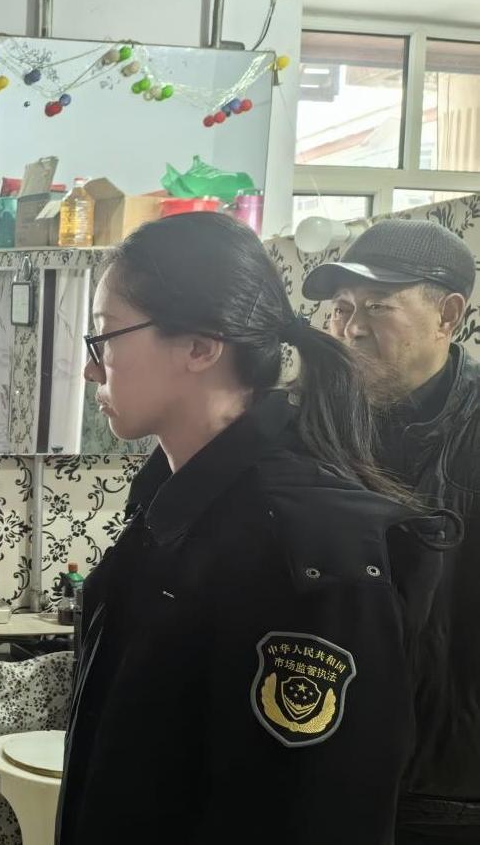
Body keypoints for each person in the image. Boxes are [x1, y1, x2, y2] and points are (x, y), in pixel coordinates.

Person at [57, 213, 457, 845]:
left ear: (201, 347)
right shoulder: (171, 509)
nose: (91, 369)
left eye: (104, 337)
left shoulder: (307, 548)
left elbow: (317, 812)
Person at [302, 219, 480, 843]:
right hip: (320, 760)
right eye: (342, 308)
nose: (352, 328)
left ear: (448, 315)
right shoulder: (312, 427)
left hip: (451, 786)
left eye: (378, 305)